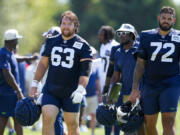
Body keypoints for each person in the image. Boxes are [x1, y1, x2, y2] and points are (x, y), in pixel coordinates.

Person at [30, 10, 93, 135]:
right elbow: (43, 64)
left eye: (69, 24)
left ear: (75, 26)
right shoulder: (51, 41)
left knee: (72, 126)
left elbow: (85, 71)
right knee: (47, 117)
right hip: (51, 90)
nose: (66, 26)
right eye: (63, 23)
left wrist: (80, 89)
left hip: (71, 91)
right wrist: (34, 83)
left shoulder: (84, 45)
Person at [129, 6, 180, 135]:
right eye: (164, 18)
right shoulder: (146, 35)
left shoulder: (179, 36)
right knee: (149, 123)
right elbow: (140, 64)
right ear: (159, 18)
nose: (166, 21)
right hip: (150, 84)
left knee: (168, 121)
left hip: (171, 84)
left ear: (174, 20)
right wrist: (135, 88)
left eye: (169, 19)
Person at [0, 29, 24, 135]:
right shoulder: (3, 54)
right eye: (16, 40)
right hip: (5, 94)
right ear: (10, 41)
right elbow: (6, 73)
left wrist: (30, 58)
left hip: (12, 93)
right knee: (3, 119)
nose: (17, 43)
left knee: (18, 119)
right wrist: (18, 90)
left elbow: (15, 59)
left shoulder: (9, 53)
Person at [98, 25, 119, 135]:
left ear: (108, 35)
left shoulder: (115, 46)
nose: (99, 36)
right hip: (104, 82)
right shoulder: (102, 46)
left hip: (113, 83)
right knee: (106, 111)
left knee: (114, 111)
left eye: (101, 34)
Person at [85, 46, 101, 135]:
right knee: (81, 116)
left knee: (93, 115)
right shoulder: (83, 66)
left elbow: (97, 81)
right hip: (83, 95)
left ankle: (92, 133)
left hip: (93, 95)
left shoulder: (96, 67)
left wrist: (99, 94)